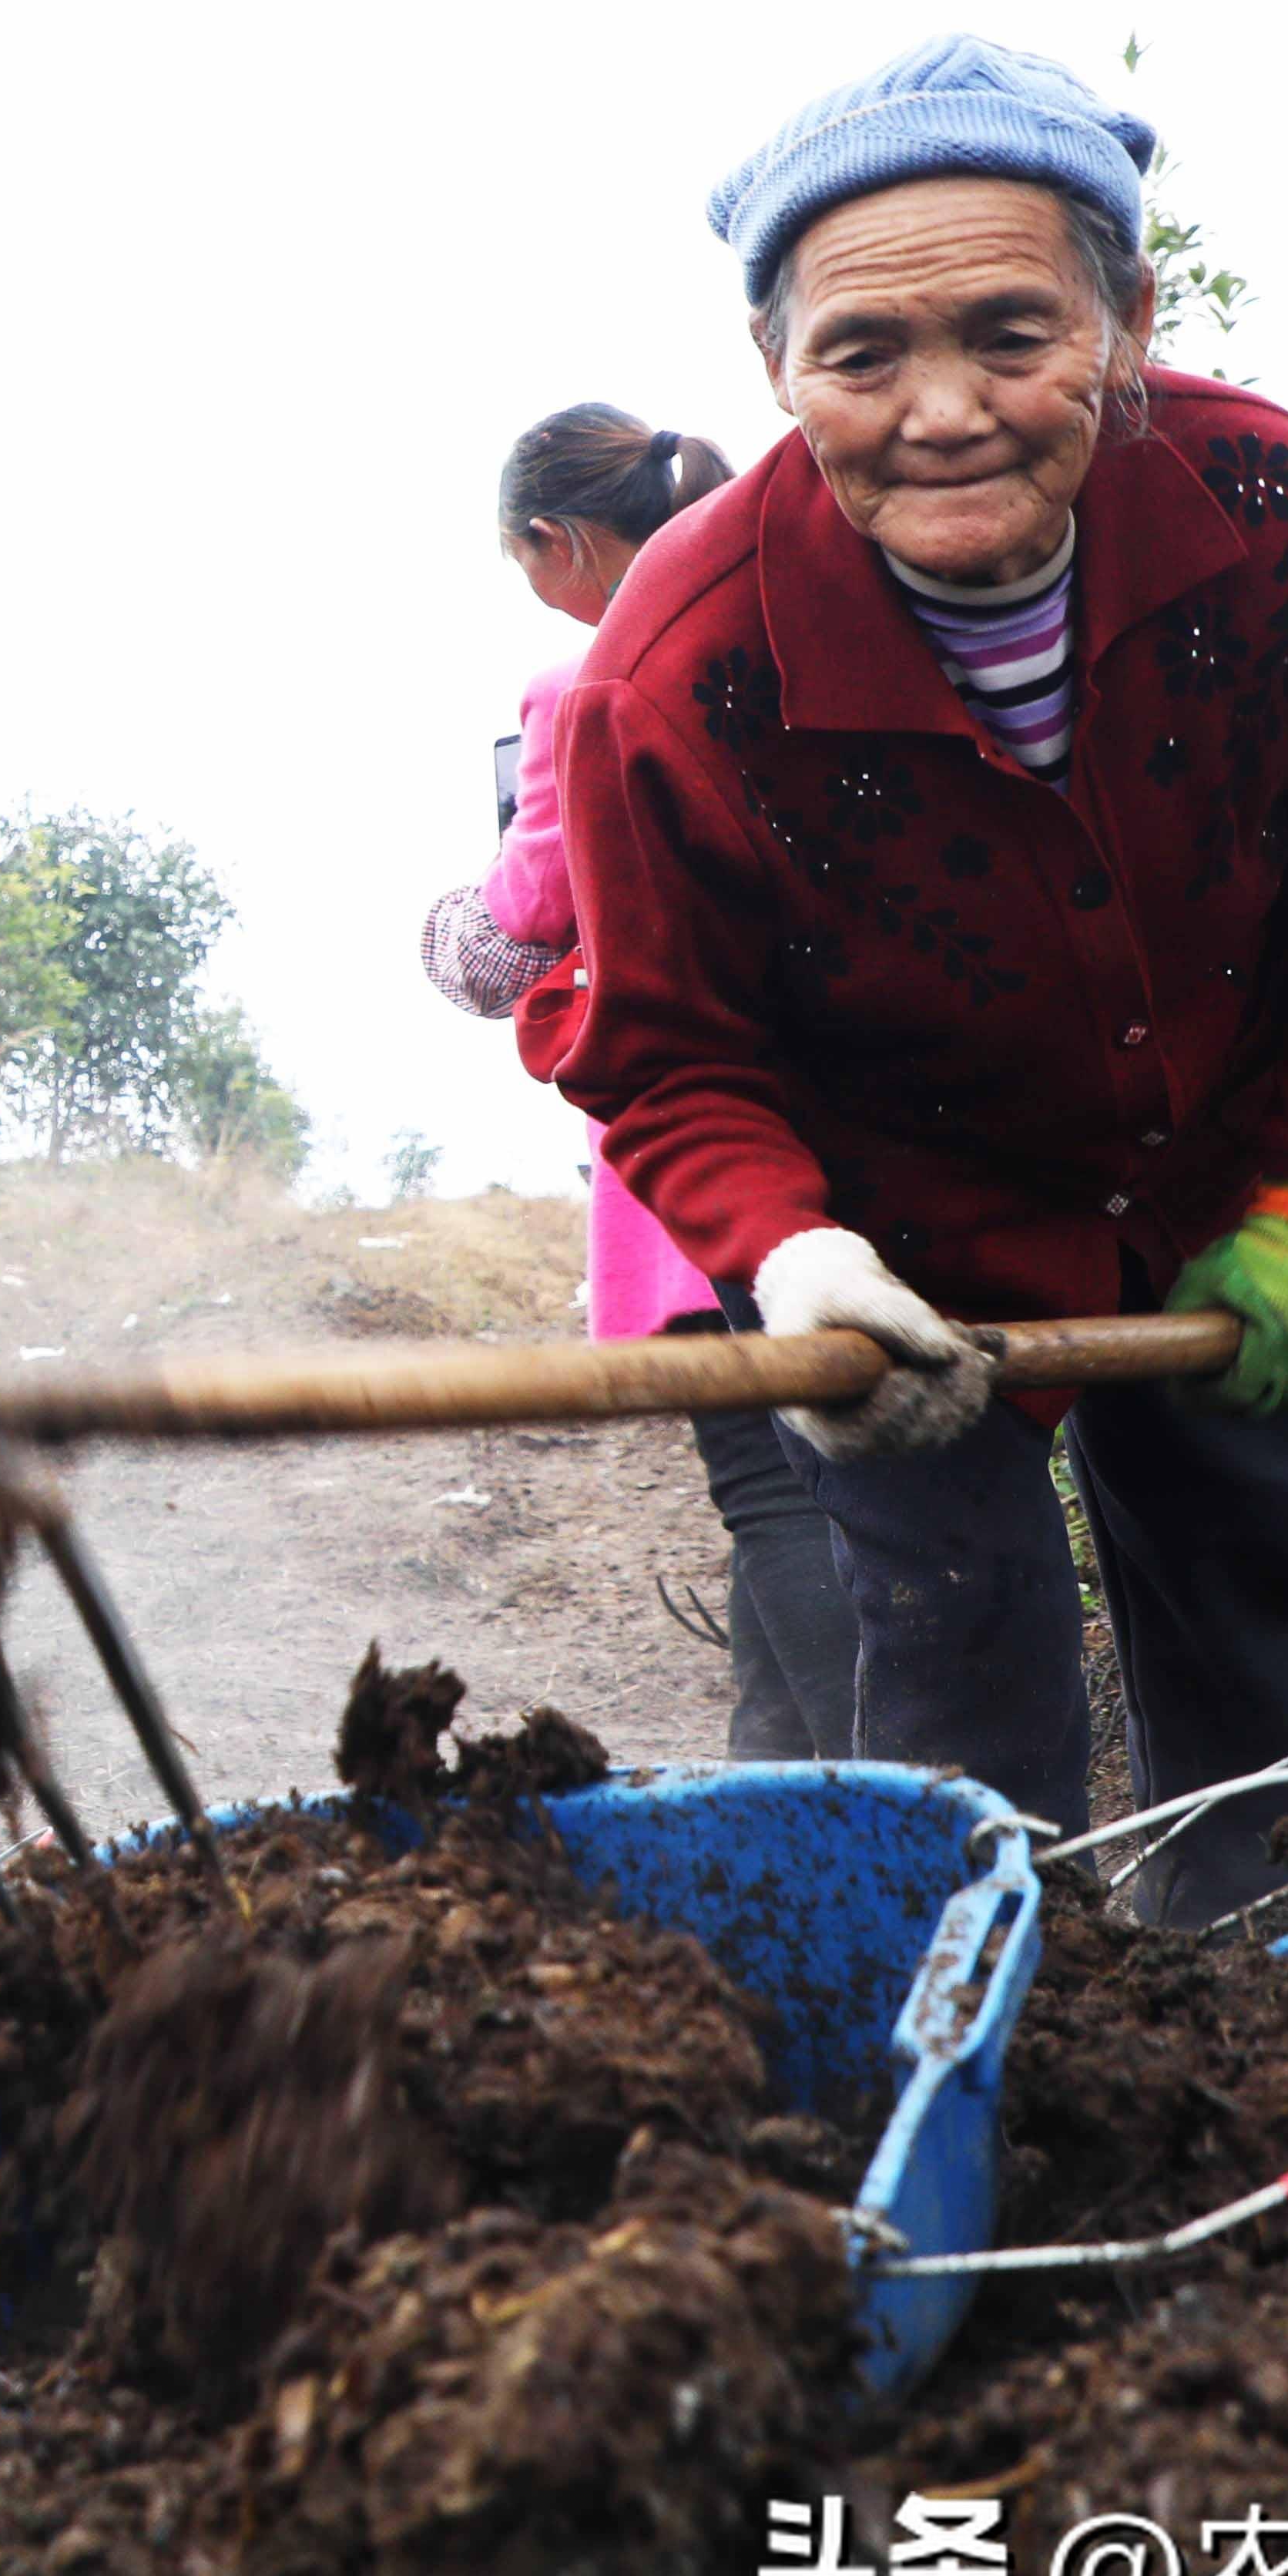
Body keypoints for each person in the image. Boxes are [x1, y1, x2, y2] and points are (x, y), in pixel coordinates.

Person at [524, 38, 1288, 1925]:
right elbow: (661, 1041)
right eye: (862, 352)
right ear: (775, 369)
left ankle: (1254, 1960)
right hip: (907, 1237)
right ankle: (1008, 2029)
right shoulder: (678, 665)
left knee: (1250, 1604)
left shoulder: (1287, 517)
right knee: (956, 1666)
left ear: (1126, 316)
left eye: (1014, 332)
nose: (941, 410)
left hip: (1216, 1199)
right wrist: (794, 1253)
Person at [419, 404, 853, 1758]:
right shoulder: (797, 637)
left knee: (771, 1492)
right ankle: (772, 1777)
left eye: (522, 564)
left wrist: (443, 924)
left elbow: (511, 935)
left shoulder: (584, 686)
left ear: (557, 542)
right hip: (840, 1113)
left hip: (697, 1131)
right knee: (816, 1486)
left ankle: (871, 1778)